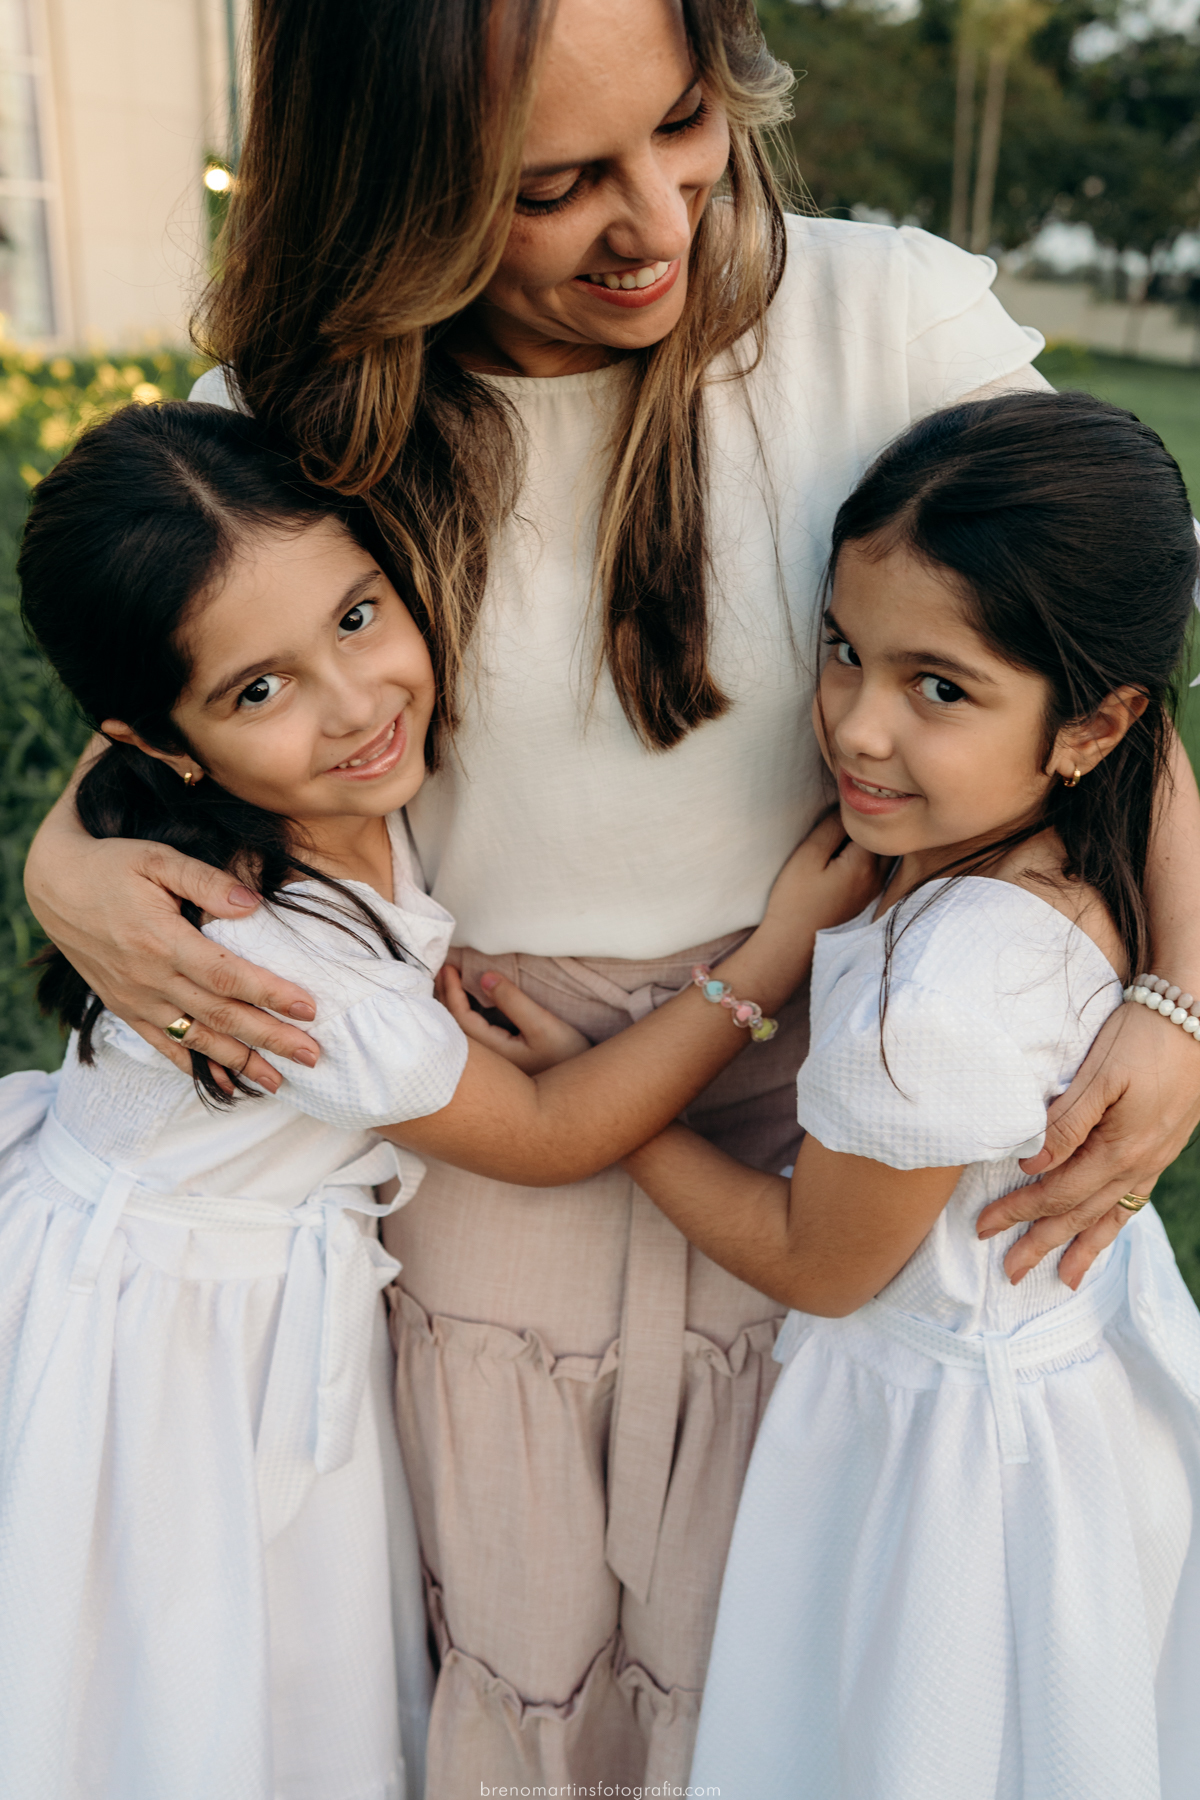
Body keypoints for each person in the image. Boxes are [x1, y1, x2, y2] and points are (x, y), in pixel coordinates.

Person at [22, 0, 1200, 1784]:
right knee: (524, 1646)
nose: (654, 222)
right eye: (554, 185)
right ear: (400, 187)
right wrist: (66, 865)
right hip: (495, 1112)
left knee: (777, 1651)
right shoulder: (303, 405)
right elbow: (192, 707)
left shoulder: (882, 319)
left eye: (684, 123)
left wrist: (1178, 998)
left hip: (825, 1110)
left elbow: (1111, 687)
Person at [1, 399, 873, 1800]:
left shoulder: (331, 802)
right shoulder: (280, 960)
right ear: (157, 744)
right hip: (178, 1339)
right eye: (258, 691)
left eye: (357, 618)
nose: (354, 703)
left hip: (222, 1277)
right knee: (183, 1674)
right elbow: (546, 1136)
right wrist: (769, 959)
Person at [620, 391, 1200, 1800]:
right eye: (843, 651)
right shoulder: (1077, 856)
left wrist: (619, 1115)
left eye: (938, 688)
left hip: (943, 1476)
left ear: (1093, 724)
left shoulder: (933, 1004)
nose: (857, 728)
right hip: (1056, 1422)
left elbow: (817, 1263)